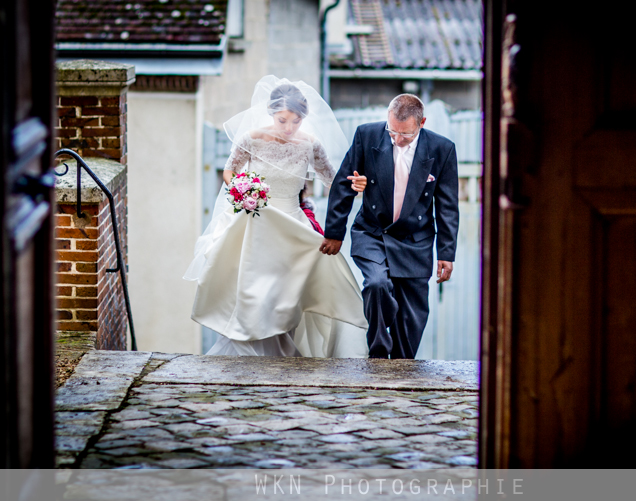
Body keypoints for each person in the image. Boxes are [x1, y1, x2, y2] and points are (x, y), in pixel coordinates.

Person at [183, 76, 369, 358]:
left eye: (296, 121)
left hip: (292, 222)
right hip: (256, 220)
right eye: (283, 120)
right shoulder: (252, 139)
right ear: (272, 114)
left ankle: (284, 348)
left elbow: (334, 181)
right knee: (255, 287)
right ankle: (252, 346)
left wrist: (354, 187)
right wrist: (242, 189)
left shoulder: (310, 145)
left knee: (287, 289)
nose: (289, 128)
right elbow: (229, 171)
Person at [320, 94, 459, 359]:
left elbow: (448, 206)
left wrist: (446, 253)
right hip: (373, 232)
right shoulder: (367, 135)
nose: (396, 139)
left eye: (404, 134)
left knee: (410, 319)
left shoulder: (442, 149)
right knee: (376, 284)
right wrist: (334, 232)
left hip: (415, 239)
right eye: (392, 130)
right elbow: (344, 182)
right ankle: (378, 354)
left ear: (422, 123)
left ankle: (401, 371)